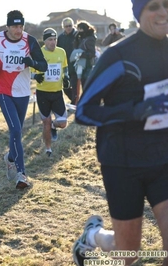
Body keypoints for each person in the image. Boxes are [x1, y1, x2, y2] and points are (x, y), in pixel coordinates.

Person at [73, 0, 168, 265]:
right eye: (153, 6)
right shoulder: (118, 55)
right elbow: (83, 111)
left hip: (164, 159)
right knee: (129, 253)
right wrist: (133, 111)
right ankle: (93, 237)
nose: (163, 12)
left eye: (167, 5)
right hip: (123, 162)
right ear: (139, 14)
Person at [0, 10, 47, 189]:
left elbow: (43, 65)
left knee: (16, 133)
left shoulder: (29, 40)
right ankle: (22, 174)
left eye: (21, 26)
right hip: (3, 92)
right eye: (14, 26)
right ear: (8, 26)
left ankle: (10, 158)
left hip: (23, 92)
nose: (18, 30)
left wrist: (31, 62)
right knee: (16, 129)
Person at [33, 28, 69, 157]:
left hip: (57, 92)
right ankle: (48, 149)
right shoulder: (38, 53)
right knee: (46, 122)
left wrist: (67, 79)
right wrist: (35, 76)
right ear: (45, 41)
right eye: (50, 40)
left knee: (63, 123)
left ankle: (54, 126)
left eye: (55, 40)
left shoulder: (61, 52)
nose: (53, 42)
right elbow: (30, 71)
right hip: (43, 93)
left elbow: (65, 69)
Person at [57, 17, 78, 105]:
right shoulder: (61, 37)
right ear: (63, 27)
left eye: (70, 26)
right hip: (64, 64)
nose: (68, 28)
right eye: (66, 26)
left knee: (74, 84)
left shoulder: (77, 35)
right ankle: (74, 100)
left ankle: (74, 102)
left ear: (73, 26)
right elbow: (57, 49)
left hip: (75, 64)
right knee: (65, 86)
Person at [72, 21, 97, 96]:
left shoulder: (89, 38)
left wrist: (82, 55)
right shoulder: (81, 38)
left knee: (87, 85)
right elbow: (76, 48)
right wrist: (76, 39)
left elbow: (92, 53)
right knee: (82, 84)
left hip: (88, 65)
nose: (78, 31)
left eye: (80, 29)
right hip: (81, 64)